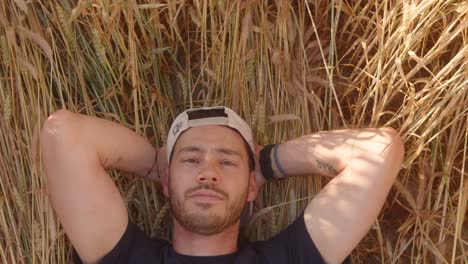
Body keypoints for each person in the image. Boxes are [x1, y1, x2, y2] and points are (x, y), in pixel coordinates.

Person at [40, 106, 404, 264]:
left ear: (250, 188)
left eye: (227, 161)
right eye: (191, 159)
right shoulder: (127, 260)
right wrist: (156, 164)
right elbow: (63, 134)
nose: (208, 172)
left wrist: (267, 162)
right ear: (167, 181)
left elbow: (380, 149)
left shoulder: (288, 260)